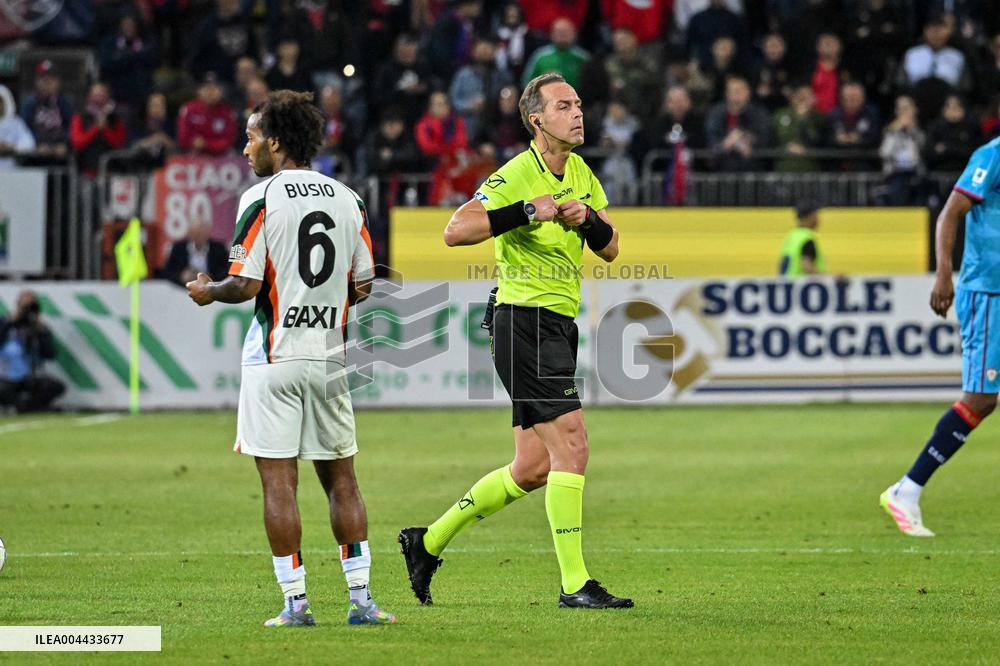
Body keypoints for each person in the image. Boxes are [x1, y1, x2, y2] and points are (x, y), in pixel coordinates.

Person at [399, 72, 632, 610]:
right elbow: (456, 230)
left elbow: (613, 247)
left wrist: (587, 218)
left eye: (579, 103)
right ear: (537, 120)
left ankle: (426, 542)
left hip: (556, 325)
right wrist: (529, 210)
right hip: (523, 320)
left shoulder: (580, 173)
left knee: (533, 467)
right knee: (573, 446)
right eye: (564, 106)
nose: (578, 113)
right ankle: (575, 585)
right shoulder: (516, 174)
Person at [185, 90, 394, 626]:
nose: (246, 145)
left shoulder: (261, 197)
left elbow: (246, 282)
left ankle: (297, 604)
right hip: (328, 357)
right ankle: (362, 601)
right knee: (343, 480)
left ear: (276, 142)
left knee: (279, 482)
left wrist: (211, 291)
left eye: (252, 136)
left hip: (274, 357)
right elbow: (365, 285)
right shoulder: (349, 199)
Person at [880, 135, 1000, 537]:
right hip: (988, 293)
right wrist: (944, 274)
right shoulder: (992, 155)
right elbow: (951, 212)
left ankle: (907, 489)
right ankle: (907, 489)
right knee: (980, 398)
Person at [0, 291, 65, 413]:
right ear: (17, 304)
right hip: (5, 377)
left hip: (28, 377)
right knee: (2, 389)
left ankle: (25, 406)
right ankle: (26, 406)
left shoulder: (38, 328)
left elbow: (50, 354)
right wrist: (11, 322)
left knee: (55, 386)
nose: (27, 310)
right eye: (24, 306)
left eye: (31, 305)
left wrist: (42, 332)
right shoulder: (4, 322)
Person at [20, 60, 73, 157]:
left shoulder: (64, 102)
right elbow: (24, 129)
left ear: (57, 82)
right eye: (44, 79)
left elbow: (71, 126)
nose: (47, 83)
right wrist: (36, 143)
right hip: (36, 151)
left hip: (60, 150)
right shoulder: (30, 103)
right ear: (37, 81)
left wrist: (65, 143)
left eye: (51, 79)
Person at [177, 74, 238, 156]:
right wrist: (193, 142)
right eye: (207, 88)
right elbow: (182, 137)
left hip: (220, 154)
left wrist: (207, 144)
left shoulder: (227, 112)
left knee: (231, 153)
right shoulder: (189, 109)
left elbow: (229, 140)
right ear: (199, 91)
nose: (211, 92)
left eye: (214, 88)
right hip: (193, 152)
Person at [521, 17, 590, 89]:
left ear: (574, 34)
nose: (563, 35)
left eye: (566, 31)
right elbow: (525, 83)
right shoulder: (540, 56)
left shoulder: (584, 58)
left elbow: (592, 86)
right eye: (559, 32)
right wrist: (542, 81)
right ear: (551, 34)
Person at [161, 219, 229, 286]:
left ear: (208, 232)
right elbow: (167, 272)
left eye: (201, 233)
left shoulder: (219, 248)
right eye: (196, 234)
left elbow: (226, 271)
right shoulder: (178, 248)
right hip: (183, 290)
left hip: (211, 289)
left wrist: (210, 277)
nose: (198, 237)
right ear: (189, 233)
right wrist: (181, 276)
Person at [778, 200, 825, 276]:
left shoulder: (792, 236)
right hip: (800, 285)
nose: (819, 220)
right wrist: (828, 280)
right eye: (815, 216)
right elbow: (806, 266)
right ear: (808, 217)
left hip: (787, 285)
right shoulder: (807, 239)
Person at [0, 85, 37, 168]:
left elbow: (29, 143)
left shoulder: (16, 123)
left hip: (11, 169)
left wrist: (12, 147)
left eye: (0, 102)